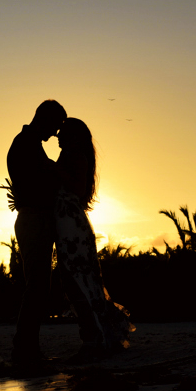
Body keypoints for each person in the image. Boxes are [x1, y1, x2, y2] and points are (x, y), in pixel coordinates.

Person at [52, 118, 133, 358]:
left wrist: (53, 170)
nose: (57, 135)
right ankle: (96, 338)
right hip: (69, 226)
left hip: (73, 228)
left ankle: (95, 341)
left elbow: (76, 189)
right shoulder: (70, 156)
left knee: (79, 282)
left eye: (62, 132)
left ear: (73, 136)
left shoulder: (75, 157)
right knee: (78, 281)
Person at [7, 99, 67, 365]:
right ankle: (25, 349)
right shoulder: (26, 144)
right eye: (55, 126)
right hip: (33, 219)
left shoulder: (28, 143)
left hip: (34, 218)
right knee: (38, 285)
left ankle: (26, 347)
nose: (55, 134)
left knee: (40, 285)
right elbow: (46, 179)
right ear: (43, 118)